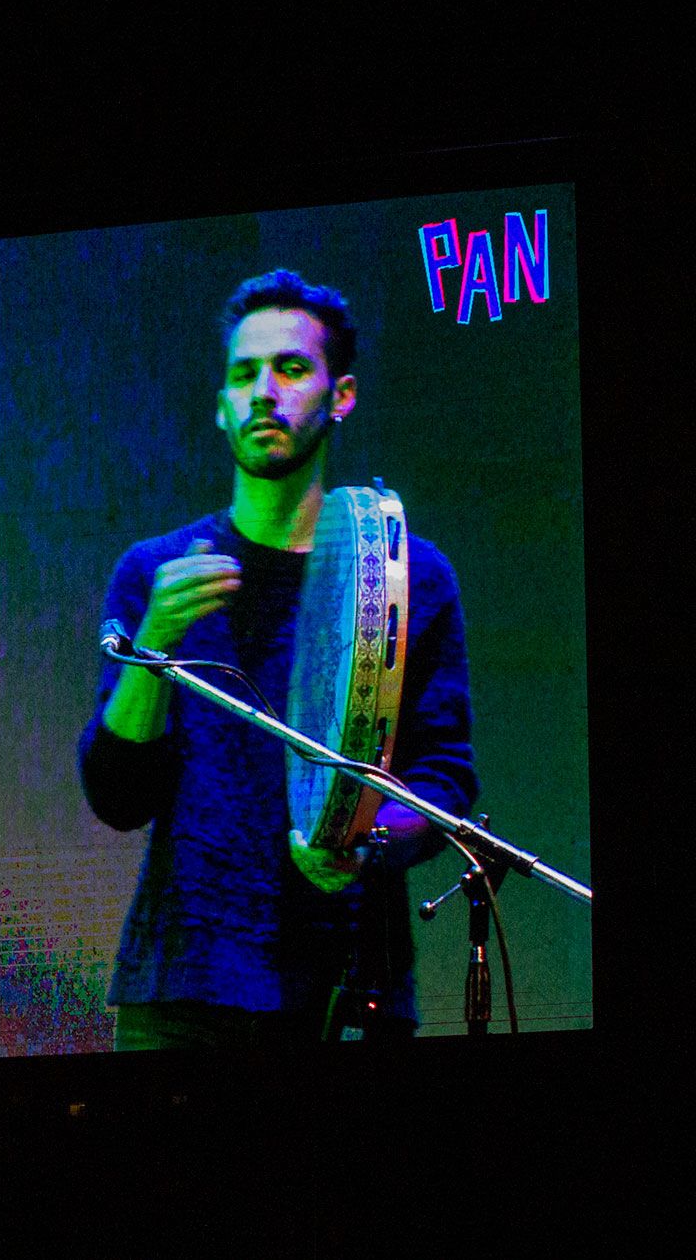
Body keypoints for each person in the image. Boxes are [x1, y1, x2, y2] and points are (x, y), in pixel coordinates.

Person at [77, 269, 478, 1050]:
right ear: (221, 408)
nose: (264, 391)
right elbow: (118, 798)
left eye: (291, 368)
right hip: (186, 985)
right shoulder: (157, 572)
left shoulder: (406, 574)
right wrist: (153, 645)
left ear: (343, 394)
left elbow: (446, 780)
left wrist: (367, 842)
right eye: (243, 373)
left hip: (352, 978)